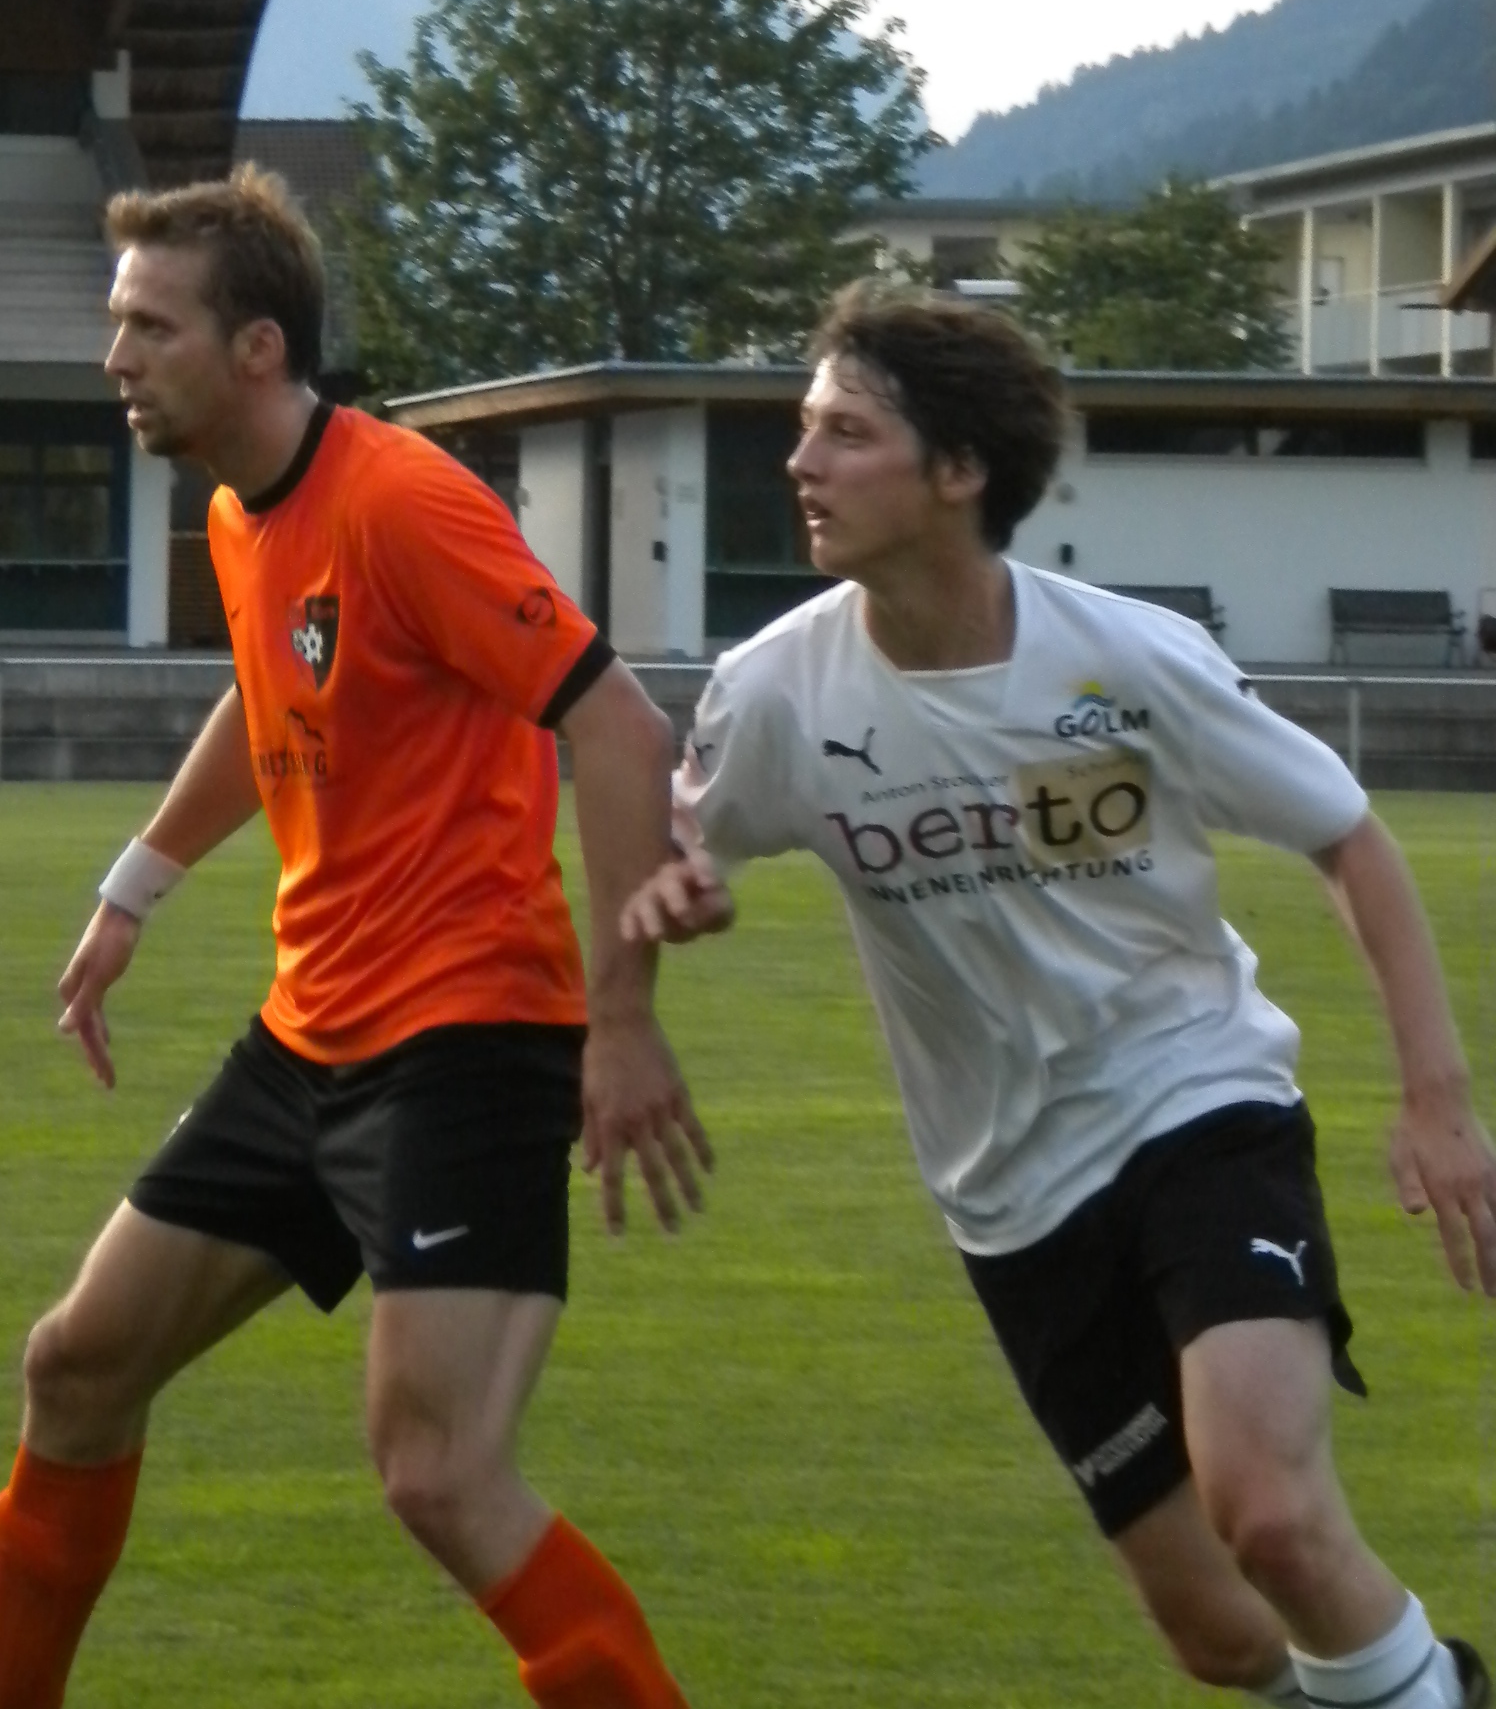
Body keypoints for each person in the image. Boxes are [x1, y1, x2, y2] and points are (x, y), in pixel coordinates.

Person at [627, 282, 1493, 1709]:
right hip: (1010, 1197)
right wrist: (678, 893)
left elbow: (1348, 836)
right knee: (1222, 1638)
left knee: (1271, 1514)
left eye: (846, 433)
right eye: (805, 428)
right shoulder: (776, 691)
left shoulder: (1125, 660)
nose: (801, 462)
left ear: (959, 471)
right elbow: (683, 845)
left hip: (1196, 1104)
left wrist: (1439, 1101)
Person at [0, 166, 709, 1709]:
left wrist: (623, 1021)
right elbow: (272, 692)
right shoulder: (244, 511)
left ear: (257, 350)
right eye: (117, 322)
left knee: (440, 1472)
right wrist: (137, 884)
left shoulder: (402, 501)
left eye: (149, 326)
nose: (114, 357)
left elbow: (621, 725)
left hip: (467, 1040)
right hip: (310, 1037)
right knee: (75, 1369)